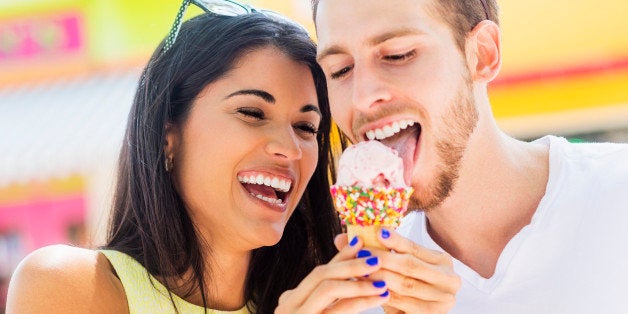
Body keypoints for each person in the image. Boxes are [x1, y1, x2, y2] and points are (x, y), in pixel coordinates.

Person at [5, 1, 405, 313]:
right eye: (251, 113)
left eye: (306, 128)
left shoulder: (332, 304)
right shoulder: (70, 286)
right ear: (168, 137)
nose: (289, 147)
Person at [312, 0, 628, 313]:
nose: (362, 97)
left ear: (482, 55)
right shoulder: (357, 297)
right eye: (339, 71)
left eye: (398, 55)